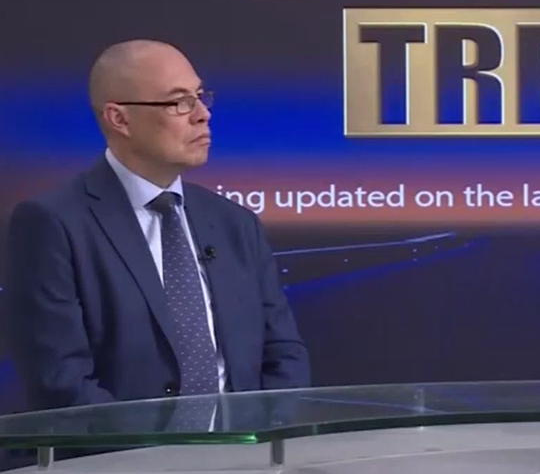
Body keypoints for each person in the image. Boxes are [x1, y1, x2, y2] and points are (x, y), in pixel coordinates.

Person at [3, 40, 310, 411]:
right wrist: (155, 445)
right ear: (119, 119)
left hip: (244, 445)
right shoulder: (53, 224)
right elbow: (61, 379)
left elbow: (283, 353)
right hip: (117, 447)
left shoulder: (235, 223)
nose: (202, 115)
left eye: (200, 97)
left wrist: (267, 432)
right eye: (179, 102)